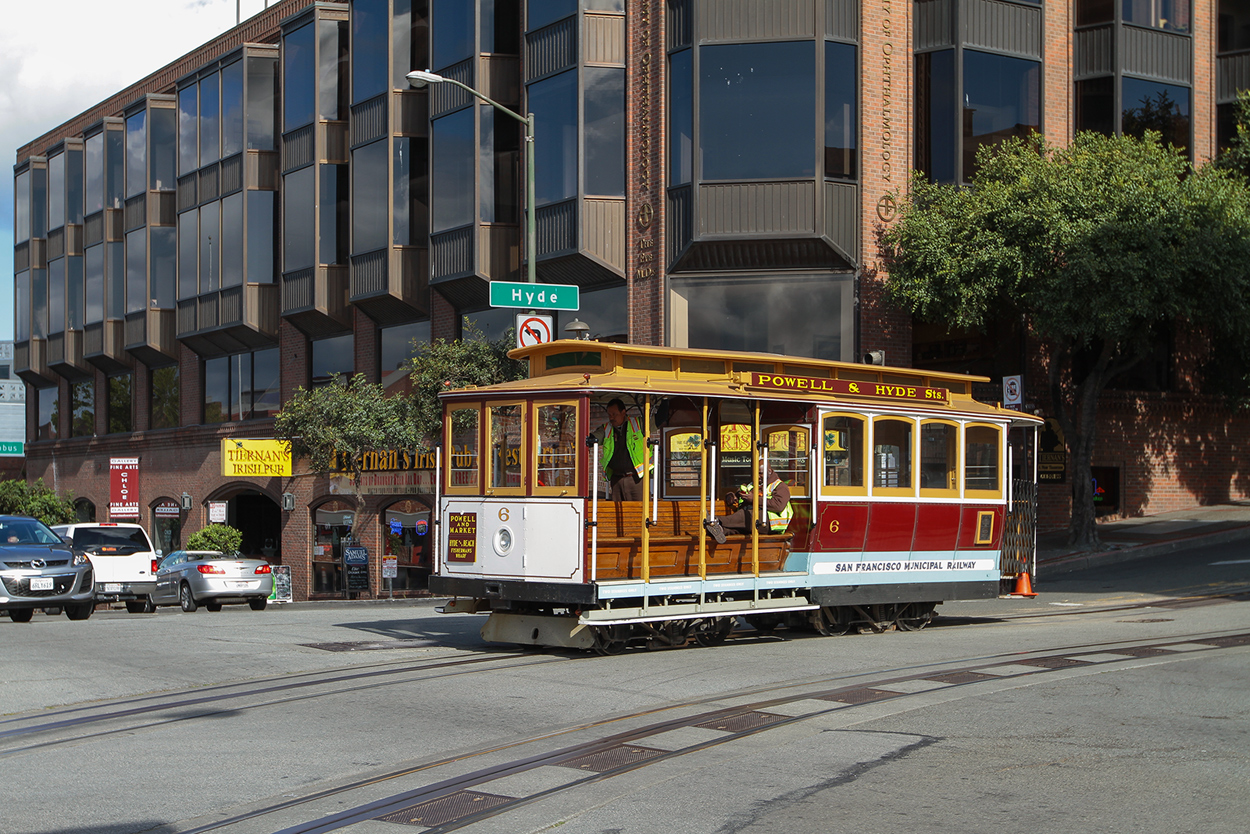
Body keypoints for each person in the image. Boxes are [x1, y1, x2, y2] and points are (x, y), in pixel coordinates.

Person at [704, 462, 793, 543]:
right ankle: (720, 530)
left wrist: (754, 499)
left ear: (769, 472)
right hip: (753, 523)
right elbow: (740, 493)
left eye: (760, 473)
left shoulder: (780, 486)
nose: (758, 476)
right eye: (756, 473)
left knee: (746, 515)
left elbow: (778, 506)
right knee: (737, 529)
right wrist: (732, 497)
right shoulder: (752, 485)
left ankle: (715, 520)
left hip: (769, 524)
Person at [595, 398, 649, 501]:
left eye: (614, 414)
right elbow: (594, 437)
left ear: (623, 412)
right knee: (618, 512)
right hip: (616, 479)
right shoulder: (607, 428)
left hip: (636, 479)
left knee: (638, 510)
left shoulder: (638, 424)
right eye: (609, 415)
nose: (611, 418)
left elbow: (658, 420)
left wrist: (665, 400)